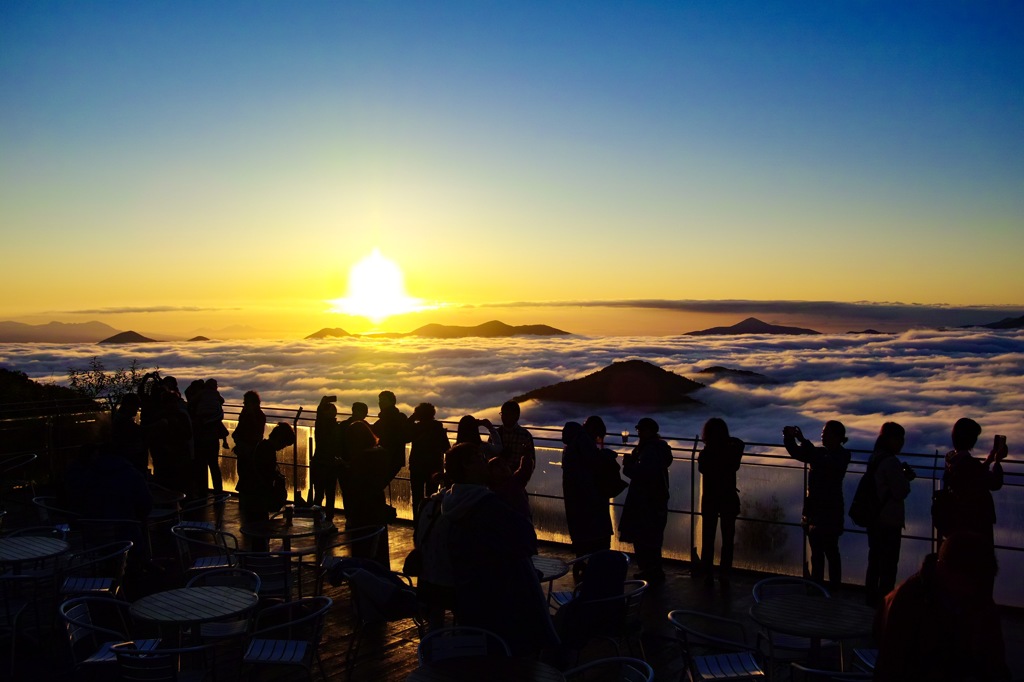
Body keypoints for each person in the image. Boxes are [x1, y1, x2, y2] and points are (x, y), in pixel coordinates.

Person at [441, 442, 558, 656]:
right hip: (504, 603)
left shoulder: (448, 505)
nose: (486, 463)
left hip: (471, 601)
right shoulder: (490, 507)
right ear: (468, 467)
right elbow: (526, 541)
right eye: (479, 458)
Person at [874, 532, 1010, 681]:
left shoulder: (910, 597)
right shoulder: (909, 601)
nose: (970, 590)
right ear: (944, 570)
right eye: (965, 583)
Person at [783, 421, 851, 591]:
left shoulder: (841, 456)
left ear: (837, 437)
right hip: (819, 511)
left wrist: (802, 440)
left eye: (826, 432)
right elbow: (797, 453)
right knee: (819, 553)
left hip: (828, 512)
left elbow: (818, 458)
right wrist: (789, 437)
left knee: (829, 552)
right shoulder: (826, 454)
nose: (822, 435)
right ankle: (820, 588)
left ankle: (828, 589)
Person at [864, 421, 915, 607]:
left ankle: (870, 600)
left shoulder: (875, 457)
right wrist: (906, 479)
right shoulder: (891, 462)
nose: (901, 443)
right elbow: (900, 491)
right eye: (899, 439)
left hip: (873, 518)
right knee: (888, 567)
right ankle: (885, 605)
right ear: (890, 439)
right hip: (888, 521)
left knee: (874, 562)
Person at [620, 417, 673, 583]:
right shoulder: (660, 448)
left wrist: (628, 466)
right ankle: (653, 569)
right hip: (657, 498)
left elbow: (643, 473)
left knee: (643, 535)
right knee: (653, 536)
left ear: (648, 431)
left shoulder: (649, 449)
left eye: (641, 430)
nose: (639, 433)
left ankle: (649, 570)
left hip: (645, 499)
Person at [941, 418, 1006, 550]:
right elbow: (994, 483)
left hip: (958, 519)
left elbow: (973, 477)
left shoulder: (951, 460)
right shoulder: (970, 465)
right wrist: (997, 462)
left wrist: (988, 461)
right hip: (977, 520)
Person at [561, 417, 614, 581]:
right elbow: (594, 462)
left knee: (581, 531)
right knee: (597, 533)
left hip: (574, 495)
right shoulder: (583, 440)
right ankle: (596, 569)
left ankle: (581, 564)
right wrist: (606, 455)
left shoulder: (572, 444)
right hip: (589, 495)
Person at [697, 417, 742, 587]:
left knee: (708, 537)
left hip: (710, 499)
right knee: (728, 538)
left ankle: (707, 573)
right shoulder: (731, 452)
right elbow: (740, 444)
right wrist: (728, 441)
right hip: (728, 498)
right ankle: (725, 573)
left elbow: (702, 469)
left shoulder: (705, 454)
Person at [235, 422, 295, 550]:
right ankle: (260, 557)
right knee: (260, 528)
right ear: (280, 439)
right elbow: (266, 475)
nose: (282, 448)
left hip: (251, 493)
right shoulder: (267, 450)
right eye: (283, 444)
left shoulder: (262, 446)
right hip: (256, 495)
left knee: (257, 529)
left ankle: (258, 556)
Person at [408, 402, 450, 521]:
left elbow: (403, 432)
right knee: (432, 496)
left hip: (417, 465)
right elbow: (446, 448)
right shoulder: (438, 428)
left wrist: (411, 418)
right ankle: (430, 521)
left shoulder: (415, 428)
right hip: (434, 466)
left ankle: (418, 522)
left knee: (417, 497)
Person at [310, 396, 342, 523]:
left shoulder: (320, 425)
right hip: (331, 464)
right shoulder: (336, 427)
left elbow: (319, 416)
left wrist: (322, 403)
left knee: (318, 493)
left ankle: (316, 519)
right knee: (330, 494)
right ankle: (329, 519)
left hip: (319, 462)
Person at [491, 400, 536, 483]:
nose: (503, 417)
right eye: (503, 414)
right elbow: (531, 463)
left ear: (516, 416)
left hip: (499, 481)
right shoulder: (525, 435)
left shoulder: (495, 434)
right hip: (514, 482)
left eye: (506, 414)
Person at [373, 390, 411, 486]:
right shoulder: (399, 417)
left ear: (391, 401)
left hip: (386, 457)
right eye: (380, 400)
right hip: (394, 458)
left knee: (376, 485)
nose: (380, 403)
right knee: (378, 485)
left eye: (383, 400)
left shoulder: (385, 420)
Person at [112, 393, 148, 474]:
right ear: (128, 406)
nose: (137, 409)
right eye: (136, 406)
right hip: (129, 458)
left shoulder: (121, 418)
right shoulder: (123, 420)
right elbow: (140, 430)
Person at [231, 390, 266, 457]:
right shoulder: (257, 415)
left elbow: (255, 434)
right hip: (247, 448)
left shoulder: (256, 416)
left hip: (249, 449)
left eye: (246, 403)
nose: (244, 405)